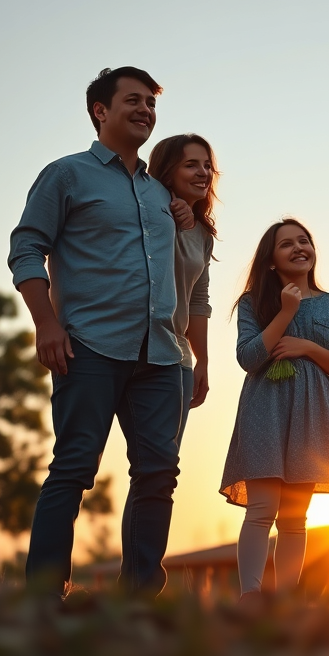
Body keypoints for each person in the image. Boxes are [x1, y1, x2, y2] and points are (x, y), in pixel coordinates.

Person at [8, 66, 185, 597]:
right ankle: (44, 596)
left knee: (158, 474)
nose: (145, 112)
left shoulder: (161, 195)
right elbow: (25, 249)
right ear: (100, 111)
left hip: (159, 355)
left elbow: (187, 271)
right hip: (87, 347)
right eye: (133, 101)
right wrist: (46, 323)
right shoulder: (67, 175)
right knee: (74, 467)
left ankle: (139, 599)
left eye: (151, 105)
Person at [220, 219, 329, 597]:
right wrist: (284, 313)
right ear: (270, 260)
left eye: (304, 241)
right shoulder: (253, 303)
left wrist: (309, 348)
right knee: (262, 509)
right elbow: (248, 357)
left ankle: (285, 601)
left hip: (313, 416)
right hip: (264, 411)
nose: (299, 248)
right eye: (287, 244)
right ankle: (250, 597)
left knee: (295, 518)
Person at [146, 133, 221, 443]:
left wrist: (201, 359)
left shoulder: (203, 234)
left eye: (207, 166)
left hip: (177, 356)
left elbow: (198, 301)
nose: (203, 173)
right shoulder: (146, 212)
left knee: (163, 466)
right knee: (83, 458)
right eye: (191, 165)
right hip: (135, 346)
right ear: (167, 171)